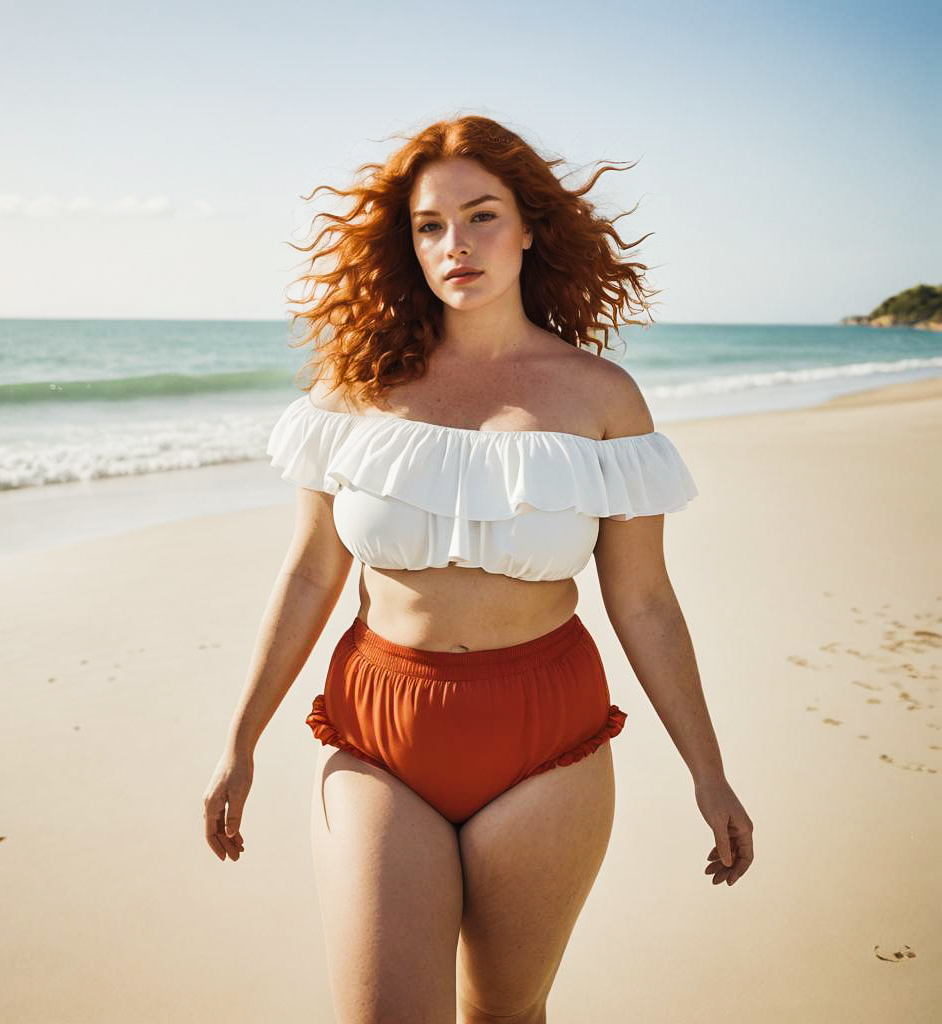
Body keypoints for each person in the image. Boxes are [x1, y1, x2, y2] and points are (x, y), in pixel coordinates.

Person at [204, 115, 754, 1024]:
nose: (454, 244)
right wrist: (241, 739)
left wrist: (710, 771)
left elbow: (645, 600)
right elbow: (310, 573)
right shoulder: (357, 384)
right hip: (380, 728)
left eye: (482, 215)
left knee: (505, 1013)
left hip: (548, 738)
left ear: (531, 225)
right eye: (429, 225)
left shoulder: (600, 397)